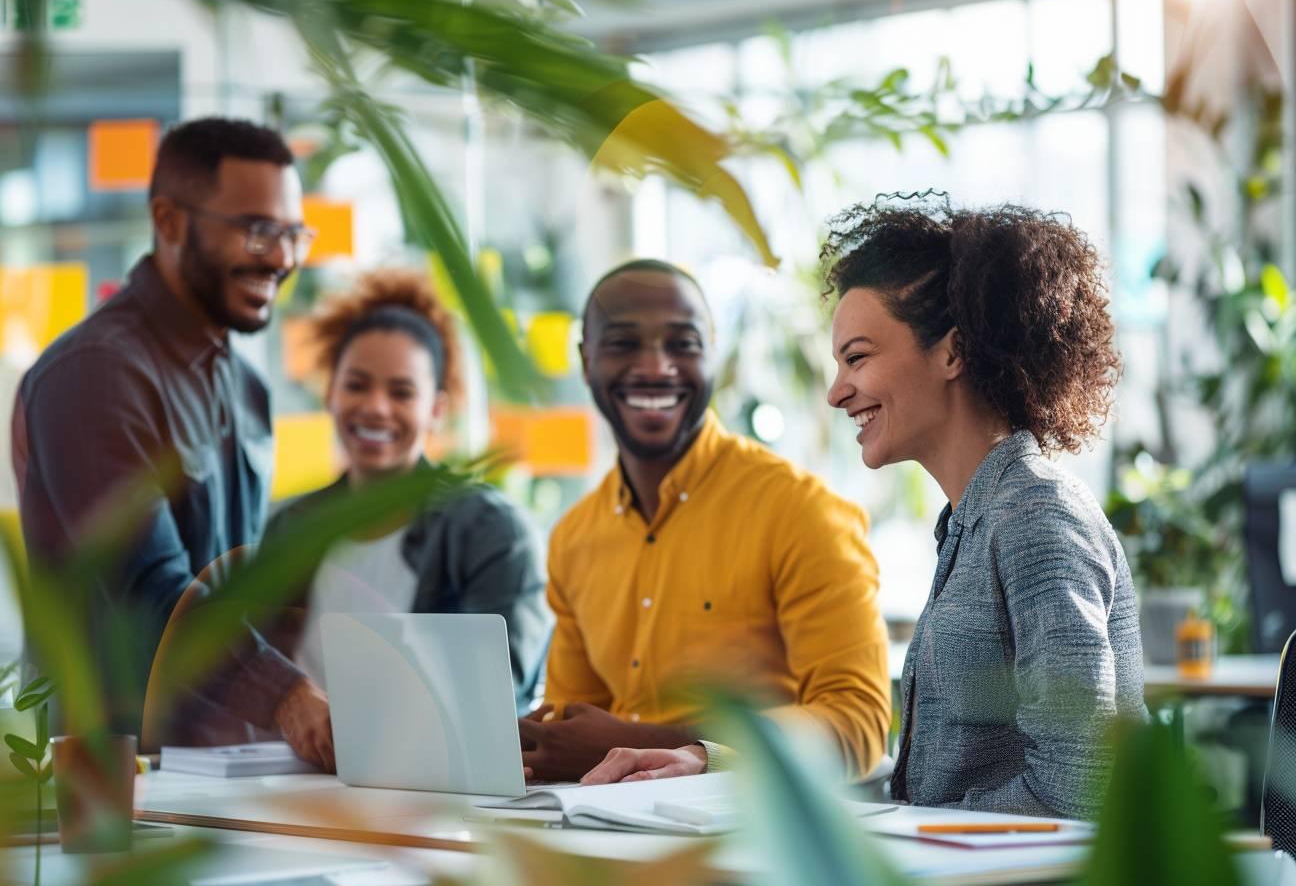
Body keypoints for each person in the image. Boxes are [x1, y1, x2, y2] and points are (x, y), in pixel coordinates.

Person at [583, 202, 1146, 821]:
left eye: (857, 357)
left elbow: (1080, 789)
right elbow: (922, 791)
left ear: (953, 353)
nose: (836, 390)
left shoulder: (1037, 518)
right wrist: (707, 761)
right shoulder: (974, 520)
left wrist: (896, 836)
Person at [12, 117, 330, 763]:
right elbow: (152, 589)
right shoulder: (95, 373)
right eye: (257, 229)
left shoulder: (246, 385)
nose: (283, 257)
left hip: (222, 767)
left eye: (295, 233)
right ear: (170, 220)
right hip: (101, 778)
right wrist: (287, 695)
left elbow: (234, 584)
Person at [519, 259, 890, 783]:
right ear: (586, 362)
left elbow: (860, 725)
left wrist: (664, 746)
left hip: (748, 834)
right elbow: (569, 729)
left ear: (713, 354)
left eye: (682, 344)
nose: (655, 367)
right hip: (607, 836)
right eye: (624, 343)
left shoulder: (800, 511)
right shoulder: (575, 537)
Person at [257, 269, 549, 712]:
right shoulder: (291, 529)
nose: (376, 407)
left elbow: (497, 699)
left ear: (436, 409)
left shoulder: (491, 533)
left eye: (402, 392)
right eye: (357, 385)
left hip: (427, 778)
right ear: (330, 392)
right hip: (291, 776)